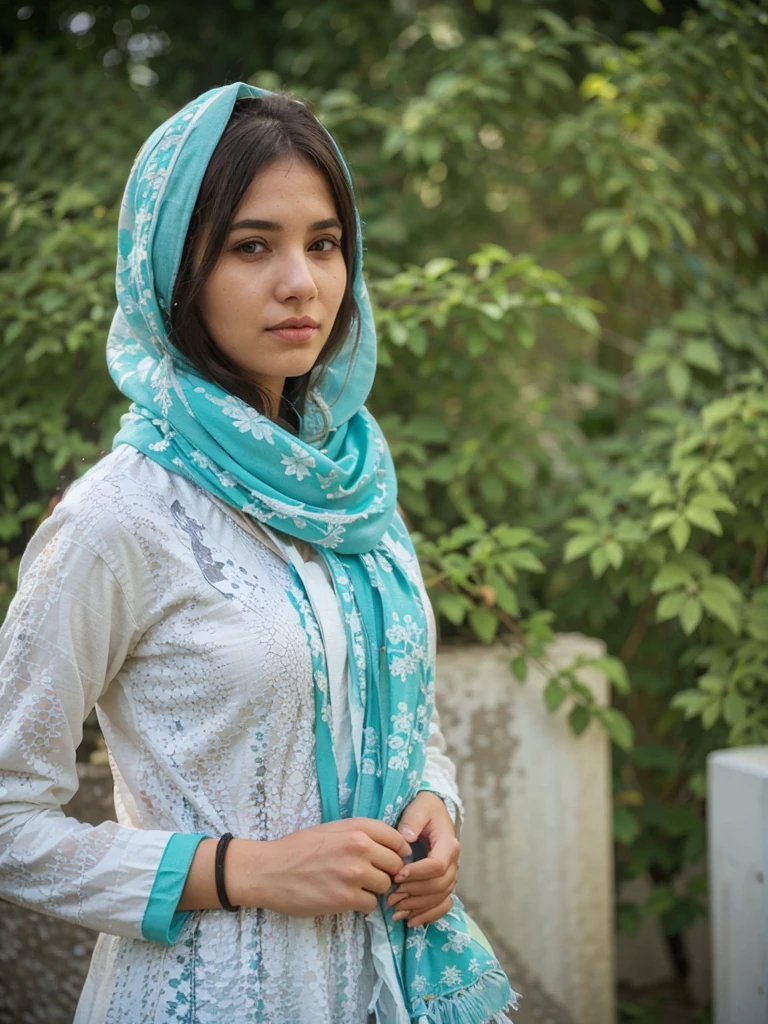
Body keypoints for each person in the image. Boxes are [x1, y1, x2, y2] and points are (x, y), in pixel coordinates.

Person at [0, 83, 520, 1023]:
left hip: (384, 983)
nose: (303, 282)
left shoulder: (350, 486)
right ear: (175, 271)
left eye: (324, 244)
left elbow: (393, 700)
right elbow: (6, 824)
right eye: (252, 246)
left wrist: (434, 805)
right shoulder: (118, 517)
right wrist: (248, 869)